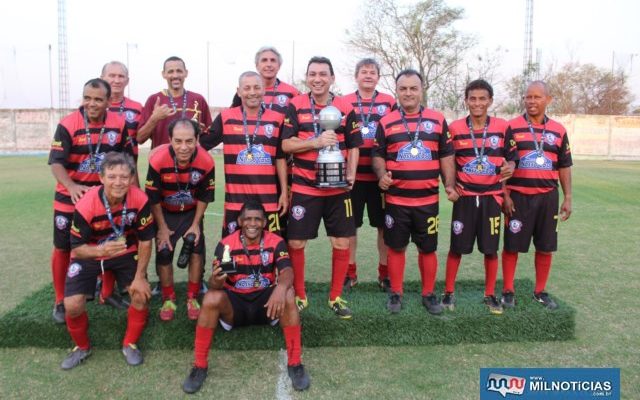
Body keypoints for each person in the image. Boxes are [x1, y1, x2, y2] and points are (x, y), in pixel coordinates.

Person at [181, 201, 310, 394]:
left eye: (257, 219)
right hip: (235, 306)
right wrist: (215, 280)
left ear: (264, 222)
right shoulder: (226, 245)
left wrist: (281, 287)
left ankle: (295, 363)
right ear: (240, 221)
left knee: (289, 293)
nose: (253, 223)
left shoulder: (275, 241)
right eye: (248, 219)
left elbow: (288, 271)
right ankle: (199, 366)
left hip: (267, 305)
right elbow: (215, 285)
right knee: (210, 298)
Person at [281, 56, 362, 319]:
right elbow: (285, 145)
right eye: (313, 74)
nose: (318, 79)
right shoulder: (295, 105)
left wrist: (350, 172)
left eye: (323, 74)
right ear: (307, 77)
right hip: (306, 187)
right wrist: (314, 143)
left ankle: (335, 296)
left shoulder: (346, 106)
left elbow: (354, 144)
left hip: (338, 190)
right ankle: (300, 294)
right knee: (296, 241)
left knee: (341, 241)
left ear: (332, 78)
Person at [48, 78, 134, 324]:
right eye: (87, 98)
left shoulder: (118, 124)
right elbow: (56, 163)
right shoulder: (67, 124)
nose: (92, 103)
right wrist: (72, 186)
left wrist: (132, 192)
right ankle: (60, 299)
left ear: (109, 101)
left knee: (108, 243)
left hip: (106, 199)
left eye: (98, 99)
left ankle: (106, 293)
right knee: (64, 247)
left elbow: (127, 160)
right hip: (69, 199)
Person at [372, 69, 457, 314]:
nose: (408, 93)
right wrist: (381, 176)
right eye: (403, 88)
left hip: (427, 201)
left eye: (413, 88)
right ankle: (396, 293)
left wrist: (449, 185)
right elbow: (377, 153)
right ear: (397, 91)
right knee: (396, 247)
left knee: (427, 248)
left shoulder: (437, 119)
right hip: (397, 201)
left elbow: (446, 154)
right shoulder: (386, 121)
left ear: (421, 90)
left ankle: (428, 294)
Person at [60, 152, 155, 370]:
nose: (118, 182)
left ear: (132, 178)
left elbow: (146, 241)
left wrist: (140, 277)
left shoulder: (139, 199)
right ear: (101, 178)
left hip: (124, 251)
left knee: (140, 295)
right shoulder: (85, 205)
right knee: (72, 305)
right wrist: (101, 250)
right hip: (89, 252)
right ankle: (82, 347)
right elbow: (77, 248)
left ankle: (129, 344)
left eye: (124, 177)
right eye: (112, 176)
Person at [442, 79, 518, 315]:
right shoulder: (454, 128)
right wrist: (450, 186)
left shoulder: (503, 127)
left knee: (490, 249)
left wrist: (511, 169)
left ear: (490, 101)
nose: (477, 103)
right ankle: (448, 292)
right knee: (457, 248)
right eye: (472, 98)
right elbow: (446, 161)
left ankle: (489, 294)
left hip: (491, 198)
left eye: (482, 98)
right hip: (464, 198)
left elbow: (512, 157)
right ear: (466, 101)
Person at [501, 80, 573, 310]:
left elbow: (564, 165)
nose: (531, 101)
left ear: (548, 100)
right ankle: (508, 290)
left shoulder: (559, 131)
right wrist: (505, 194)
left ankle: (540, 291)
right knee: (512, 245)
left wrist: (568, 196)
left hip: (548, 198)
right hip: (518, 197)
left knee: (545, 246)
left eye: (537, 97)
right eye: (528, 97)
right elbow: (502, 163)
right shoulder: (510, 127)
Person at [201, 71, 288, 238]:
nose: (252, 92)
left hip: (268, 201)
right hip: (235, 202)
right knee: (230, 252)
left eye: (256, 87)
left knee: (271, 251)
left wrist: (284, 192)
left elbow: (280, 158)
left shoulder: (277, 119)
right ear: (239, 91)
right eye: (247, 88)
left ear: (263, 90)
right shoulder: (226, 117)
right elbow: (203, 144)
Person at [145, 119, 215, 321]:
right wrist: (162, 228)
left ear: (197, 140)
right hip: (165, 212)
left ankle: (192, 297)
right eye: (178, 141)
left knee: (196, 249)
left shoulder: (206, 161)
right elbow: (153, 198)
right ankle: (169, 298)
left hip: (191, 213)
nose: (183, 147)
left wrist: (195, 224)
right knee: (164, 250)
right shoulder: (157, 159)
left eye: (189, 141)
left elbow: (204, 196)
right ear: (169, 140)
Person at [341, 58, 396, 291]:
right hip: (352, 178)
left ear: (378, 77)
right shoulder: (343, 102)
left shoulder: (389, 102)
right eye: (363, 72)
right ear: (356, 76)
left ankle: (384, 274)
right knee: (350, 227)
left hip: (379, 178)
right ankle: (350, 273)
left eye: (372, 72)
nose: (368, 76)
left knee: (383, 227)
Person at [99, 60, 144, 309]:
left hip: (127, 178)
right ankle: (104, 287)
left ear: (127, 80)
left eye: (120, 76)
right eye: (111, 75)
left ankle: (130, 281)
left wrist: (135, 185)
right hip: (104, 182)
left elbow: (137, 142)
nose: (116, 80)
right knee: (104, 229)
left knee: (129, 230)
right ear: (103, 78)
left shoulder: (136, 109)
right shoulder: (93, 105)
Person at [137, 56, 212, 148]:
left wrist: (198, 133)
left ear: (186, 73)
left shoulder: (198, 99)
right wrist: (154, 119)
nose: (175, 75)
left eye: (179, 71)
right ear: (163, 74)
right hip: (161, 161)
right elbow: (140, 139)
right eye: (170, 71)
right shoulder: (154, 100)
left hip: (191, 161)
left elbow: (209, 136)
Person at [231, 46, 300, 114]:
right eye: (264, 60)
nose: (269, 64)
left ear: (279, 66)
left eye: (273, 60)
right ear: (257, 65)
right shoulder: (244, 93)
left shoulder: (292, 92)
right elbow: (231, 118)